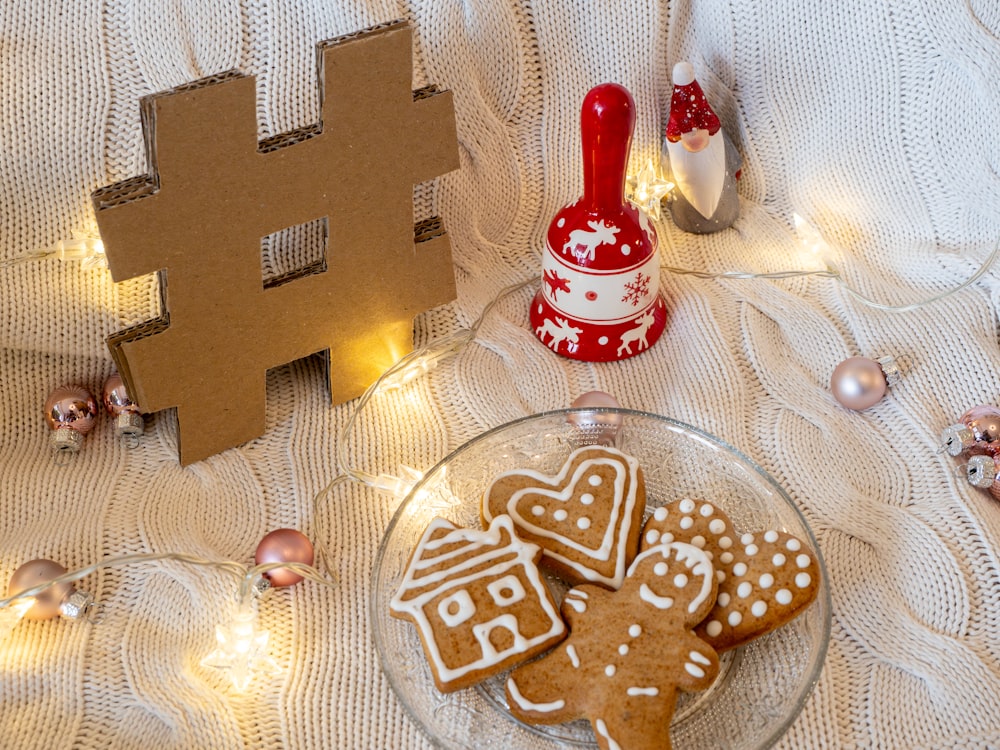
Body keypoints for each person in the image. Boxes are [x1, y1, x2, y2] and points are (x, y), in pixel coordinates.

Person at [661, 61, 741, 234]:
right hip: (685, 214)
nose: (693, 133)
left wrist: (735, 170)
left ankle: (722, 212)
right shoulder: (673, 149)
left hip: (726, 207)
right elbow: (665, 177)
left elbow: (734, 161)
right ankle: (689, 217)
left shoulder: (718, 141)